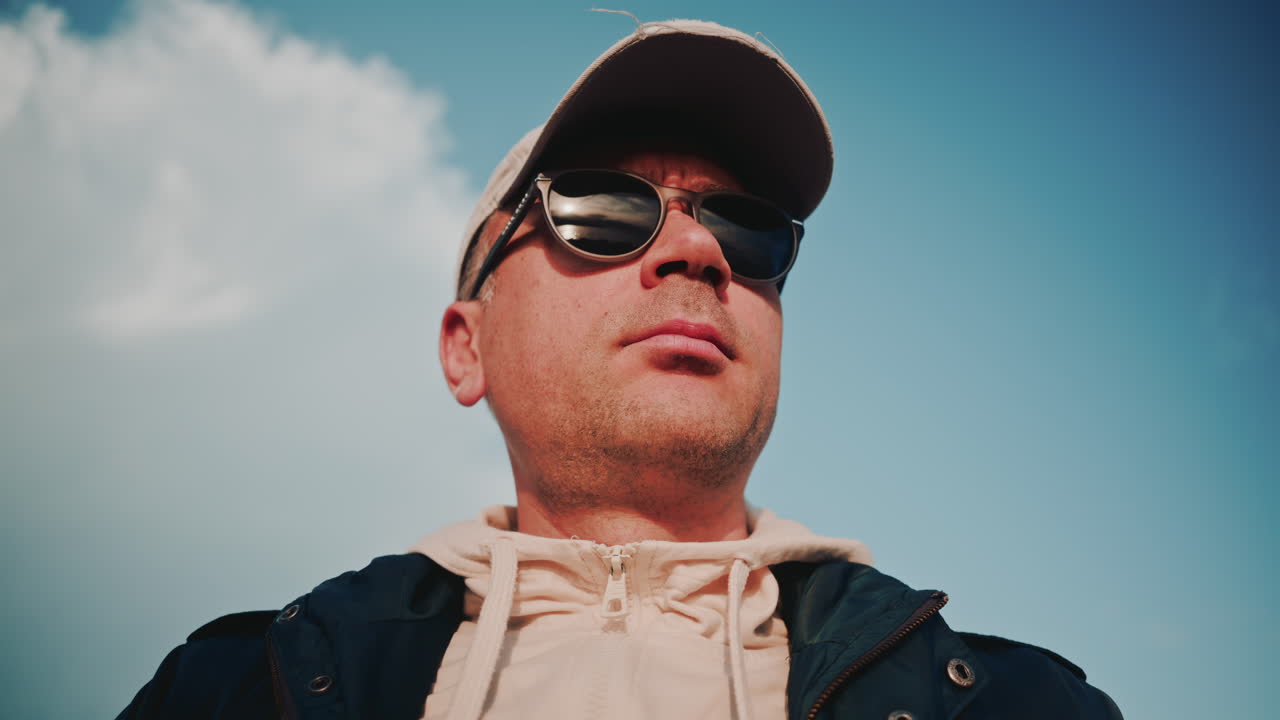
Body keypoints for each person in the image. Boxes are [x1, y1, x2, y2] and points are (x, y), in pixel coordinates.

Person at [119, 19, 1122, 720]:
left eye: (747, 228)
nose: (698, 253)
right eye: (600, 211)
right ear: (464, 347)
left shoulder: (1024, 707)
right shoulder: (229, 692)